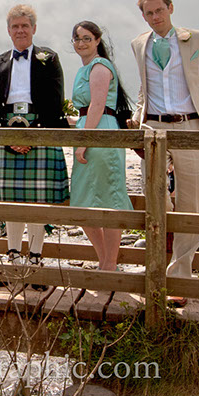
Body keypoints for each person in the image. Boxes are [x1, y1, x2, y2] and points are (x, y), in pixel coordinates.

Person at [130, 0, 199, 285]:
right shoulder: (138, 44)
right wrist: (138, 118)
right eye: (149, 13)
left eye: (159, 10)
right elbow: (143, 86)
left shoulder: (195, 38)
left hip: (192, 126)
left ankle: (180, 273)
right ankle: (158, 263)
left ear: (170, 8)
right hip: (153, 127)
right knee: (156, 196)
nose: (155, 17)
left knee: (195, 201)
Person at [0, 4, 69, 272]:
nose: (20, 30)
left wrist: (34, 134)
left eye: (25, 26)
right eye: (15, 26)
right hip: (7, 127)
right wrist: (6, 136)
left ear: (34, 29)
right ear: (8, 30)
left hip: (39, 129)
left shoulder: (48, 58)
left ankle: (36, 257)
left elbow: (55, 100)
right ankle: (14, 255)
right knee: (12, 200)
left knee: (38, 200)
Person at [69, 21, 134, 272]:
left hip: (99, 134)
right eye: (77, 39)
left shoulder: (99, 66)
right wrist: (76, 122)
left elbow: (98, 105)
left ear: (97, 40)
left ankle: (109, 264)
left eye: (86, 38)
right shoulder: (83, 70)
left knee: (109, 197)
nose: (81, 43)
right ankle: (105, 260)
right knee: (83, 200)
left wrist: (84, 140)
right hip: (89, 126)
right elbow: (89, 108)